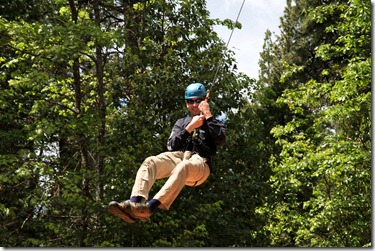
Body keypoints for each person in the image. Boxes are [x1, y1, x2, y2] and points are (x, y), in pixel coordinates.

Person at [108, 83, 226, 223]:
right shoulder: (182, 122)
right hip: (180, 157)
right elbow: (172, 146)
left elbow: (220, 139)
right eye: (190, 101)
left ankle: (151, 207)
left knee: (184, 166)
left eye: (198, 101)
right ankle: (136, 203)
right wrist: (190, 127)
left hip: (201, 164)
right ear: (186, 103)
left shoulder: (214, 122)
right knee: (150, 161)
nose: (194, 105)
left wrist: (207, 115)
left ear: (204, 101)